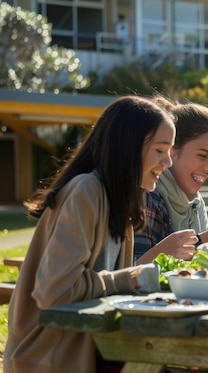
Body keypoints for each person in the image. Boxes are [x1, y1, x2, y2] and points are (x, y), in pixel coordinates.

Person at [5, 95, 175, 372]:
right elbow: (56, 291)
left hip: (94, 347)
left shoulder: (121, 202)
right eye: (160, 150)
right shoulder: (86, 190)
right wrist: (126, 280)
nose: (167, 161)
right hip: (50, 357)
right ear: (128, 148)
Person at [134, 97, 208, 264]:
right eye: (202, 156)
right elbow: (134, 272)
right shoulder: (147, 195)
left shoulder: (195, 202)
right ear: (171, 150)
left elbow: (204, 267)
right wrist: (202, 241)